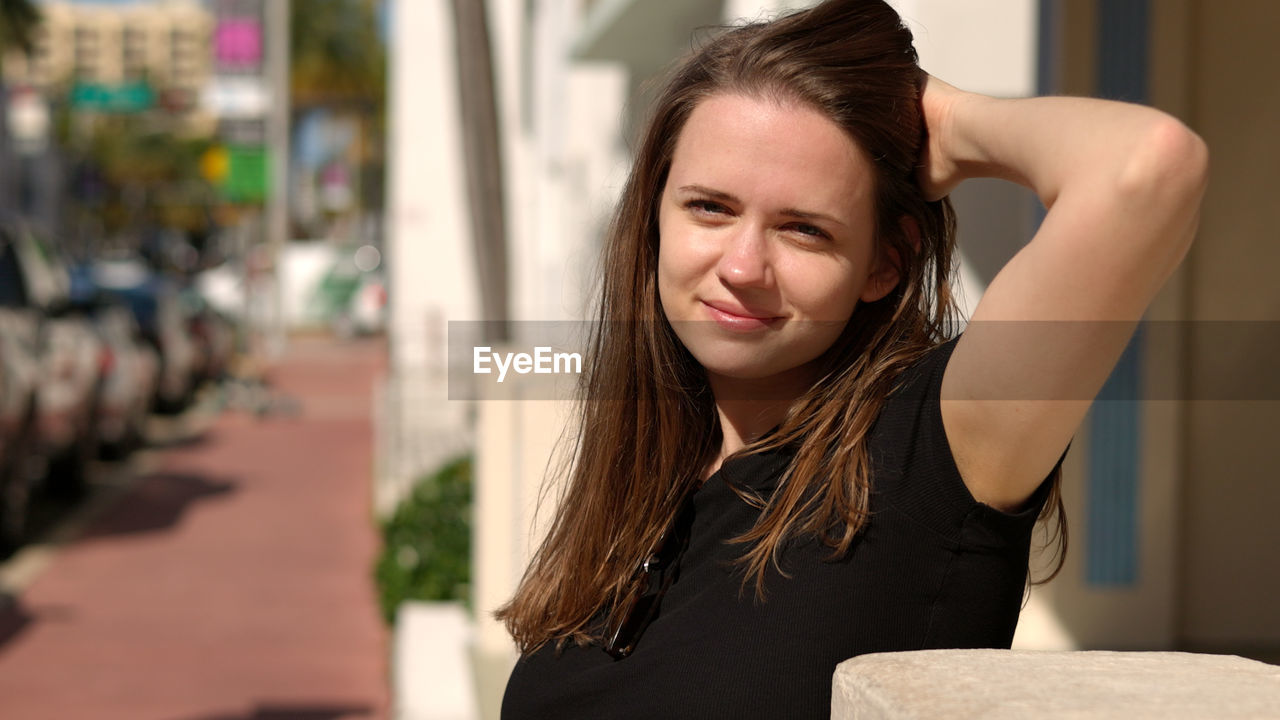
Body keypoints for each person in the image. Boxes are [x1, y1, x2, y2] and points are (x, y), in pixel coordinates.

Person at [498, 1, 1208, 717]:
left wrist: (943, 117)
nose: (743, 266)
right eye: (709, 207)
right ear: (655, 217)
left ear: (884, 264)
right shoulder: (648, 478)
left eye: (803, 229)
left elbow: (1146, 169)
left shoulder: (924, 451)